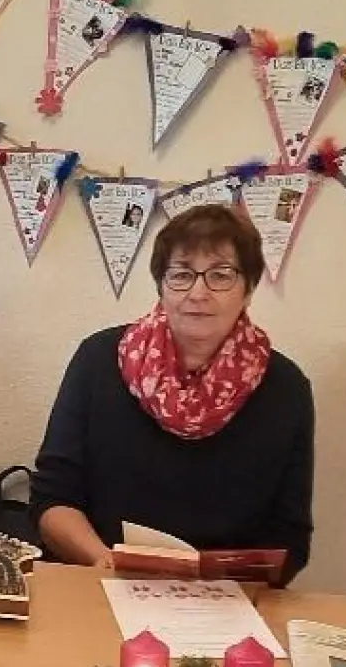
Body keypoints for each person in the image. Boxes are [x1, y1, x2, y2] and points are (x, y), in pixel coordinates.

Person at [31, 205, 315, 583]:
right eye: (181, 274)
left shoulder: (286, 388)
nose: (198, 293)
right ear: (161, 287)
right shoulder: (98, 360)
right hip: (98, 583)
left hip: (226, 602)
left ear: (248, 289)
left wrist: (225, 585)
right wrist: (103, 562)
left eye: (220, 275)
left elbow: (290, 537)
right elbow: (53, 501)